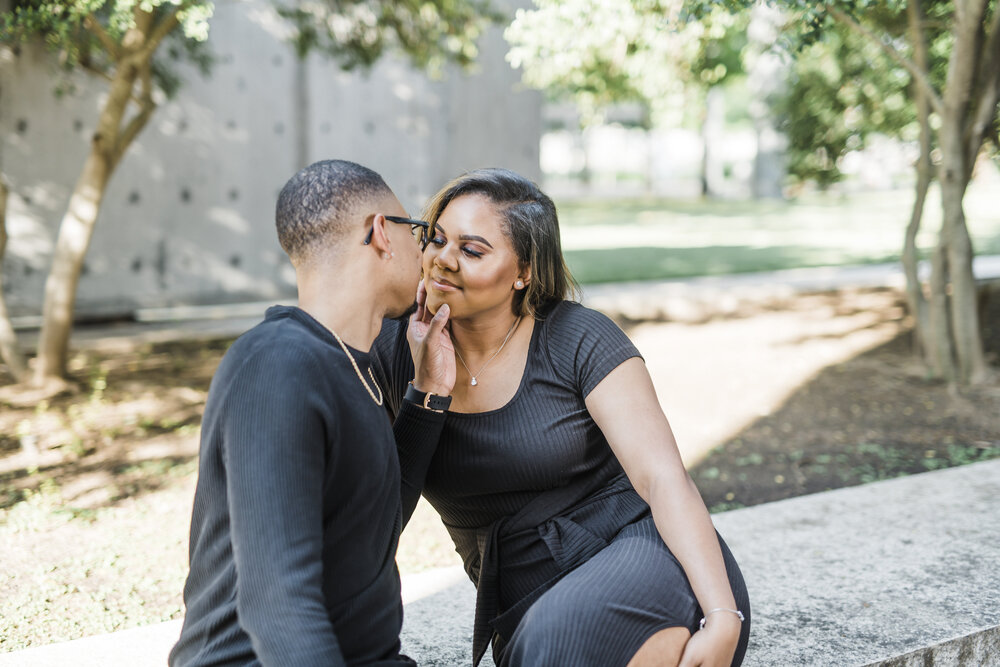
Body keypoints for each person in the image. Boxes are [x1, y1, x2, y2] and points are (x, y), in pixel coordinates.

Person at [371, 168, 751, 667]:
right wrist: (427, 393)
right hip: (531, 599)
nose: (443, 260)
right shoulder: (393, 348)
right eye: (436, 239)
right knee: (545, 645)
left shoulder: (579, 338)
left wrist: (722, 615)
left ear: (523, 270)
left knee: (555, 640)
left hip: (643, 554)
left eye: (472, 250)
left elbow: (663, 479)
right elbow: (378, 521)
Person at [170, 159, 456, 666]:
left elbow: (376, 528)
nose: (426, 251)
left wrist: (428, 393)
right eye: (418, 231)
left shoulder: (354, 367)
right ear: (381, 234)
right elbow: (276, 605)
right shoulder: (276, 365)